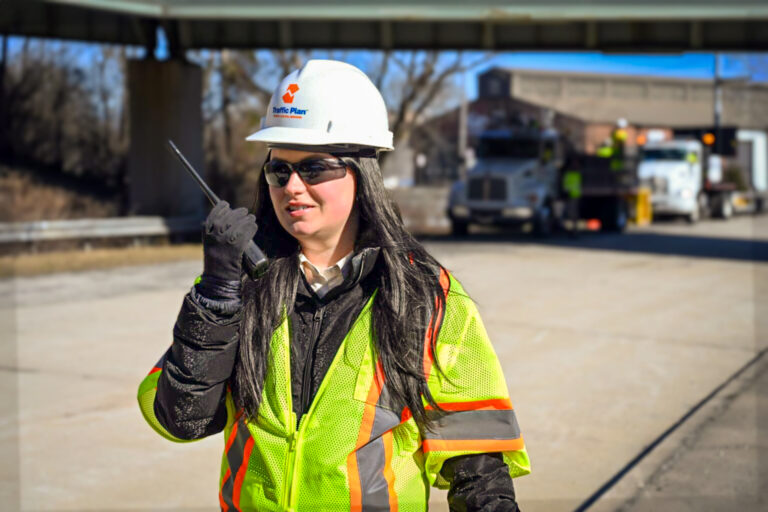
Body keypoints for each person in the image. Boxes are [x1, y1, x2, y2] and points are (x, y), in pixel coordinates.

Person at [137, 59, 530, 511]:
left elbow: (478, 469)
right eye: (279, 171)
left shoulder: (426, 297)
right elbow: (181, 418)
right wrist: (215, 293)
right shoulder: (236, 289)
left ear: (362, 174)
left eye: (315, 169)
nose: (292, 187)